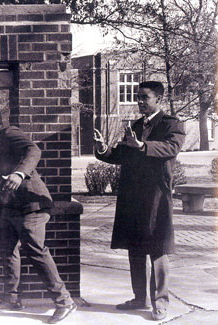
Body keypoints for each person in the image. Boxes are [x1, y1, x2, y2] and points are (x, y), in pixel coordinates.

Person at [93, 81, 185, 321]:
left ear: (159, 99)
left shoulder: (170, 124)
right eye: (138, 97)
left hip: (155, 196)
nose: (140, 101)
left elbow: (171, 148)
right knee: (135, 249)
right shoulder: (135, 125)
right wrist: (103, 149)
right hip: (131, 197)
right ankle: (139, 299)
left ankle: (160, 304)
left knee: (157, 248)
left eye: (145, 97)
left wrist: (143, 145)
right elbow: (122, 155)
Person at [0, 108, 76, 324]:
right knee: (8, 251)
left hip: (31, 205)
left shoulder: (8, 133)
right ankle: (12, 299)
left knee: (37, 252)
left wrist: (19, 174)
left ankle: (64, 302)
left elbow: (33, 150)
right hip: (10, 208)